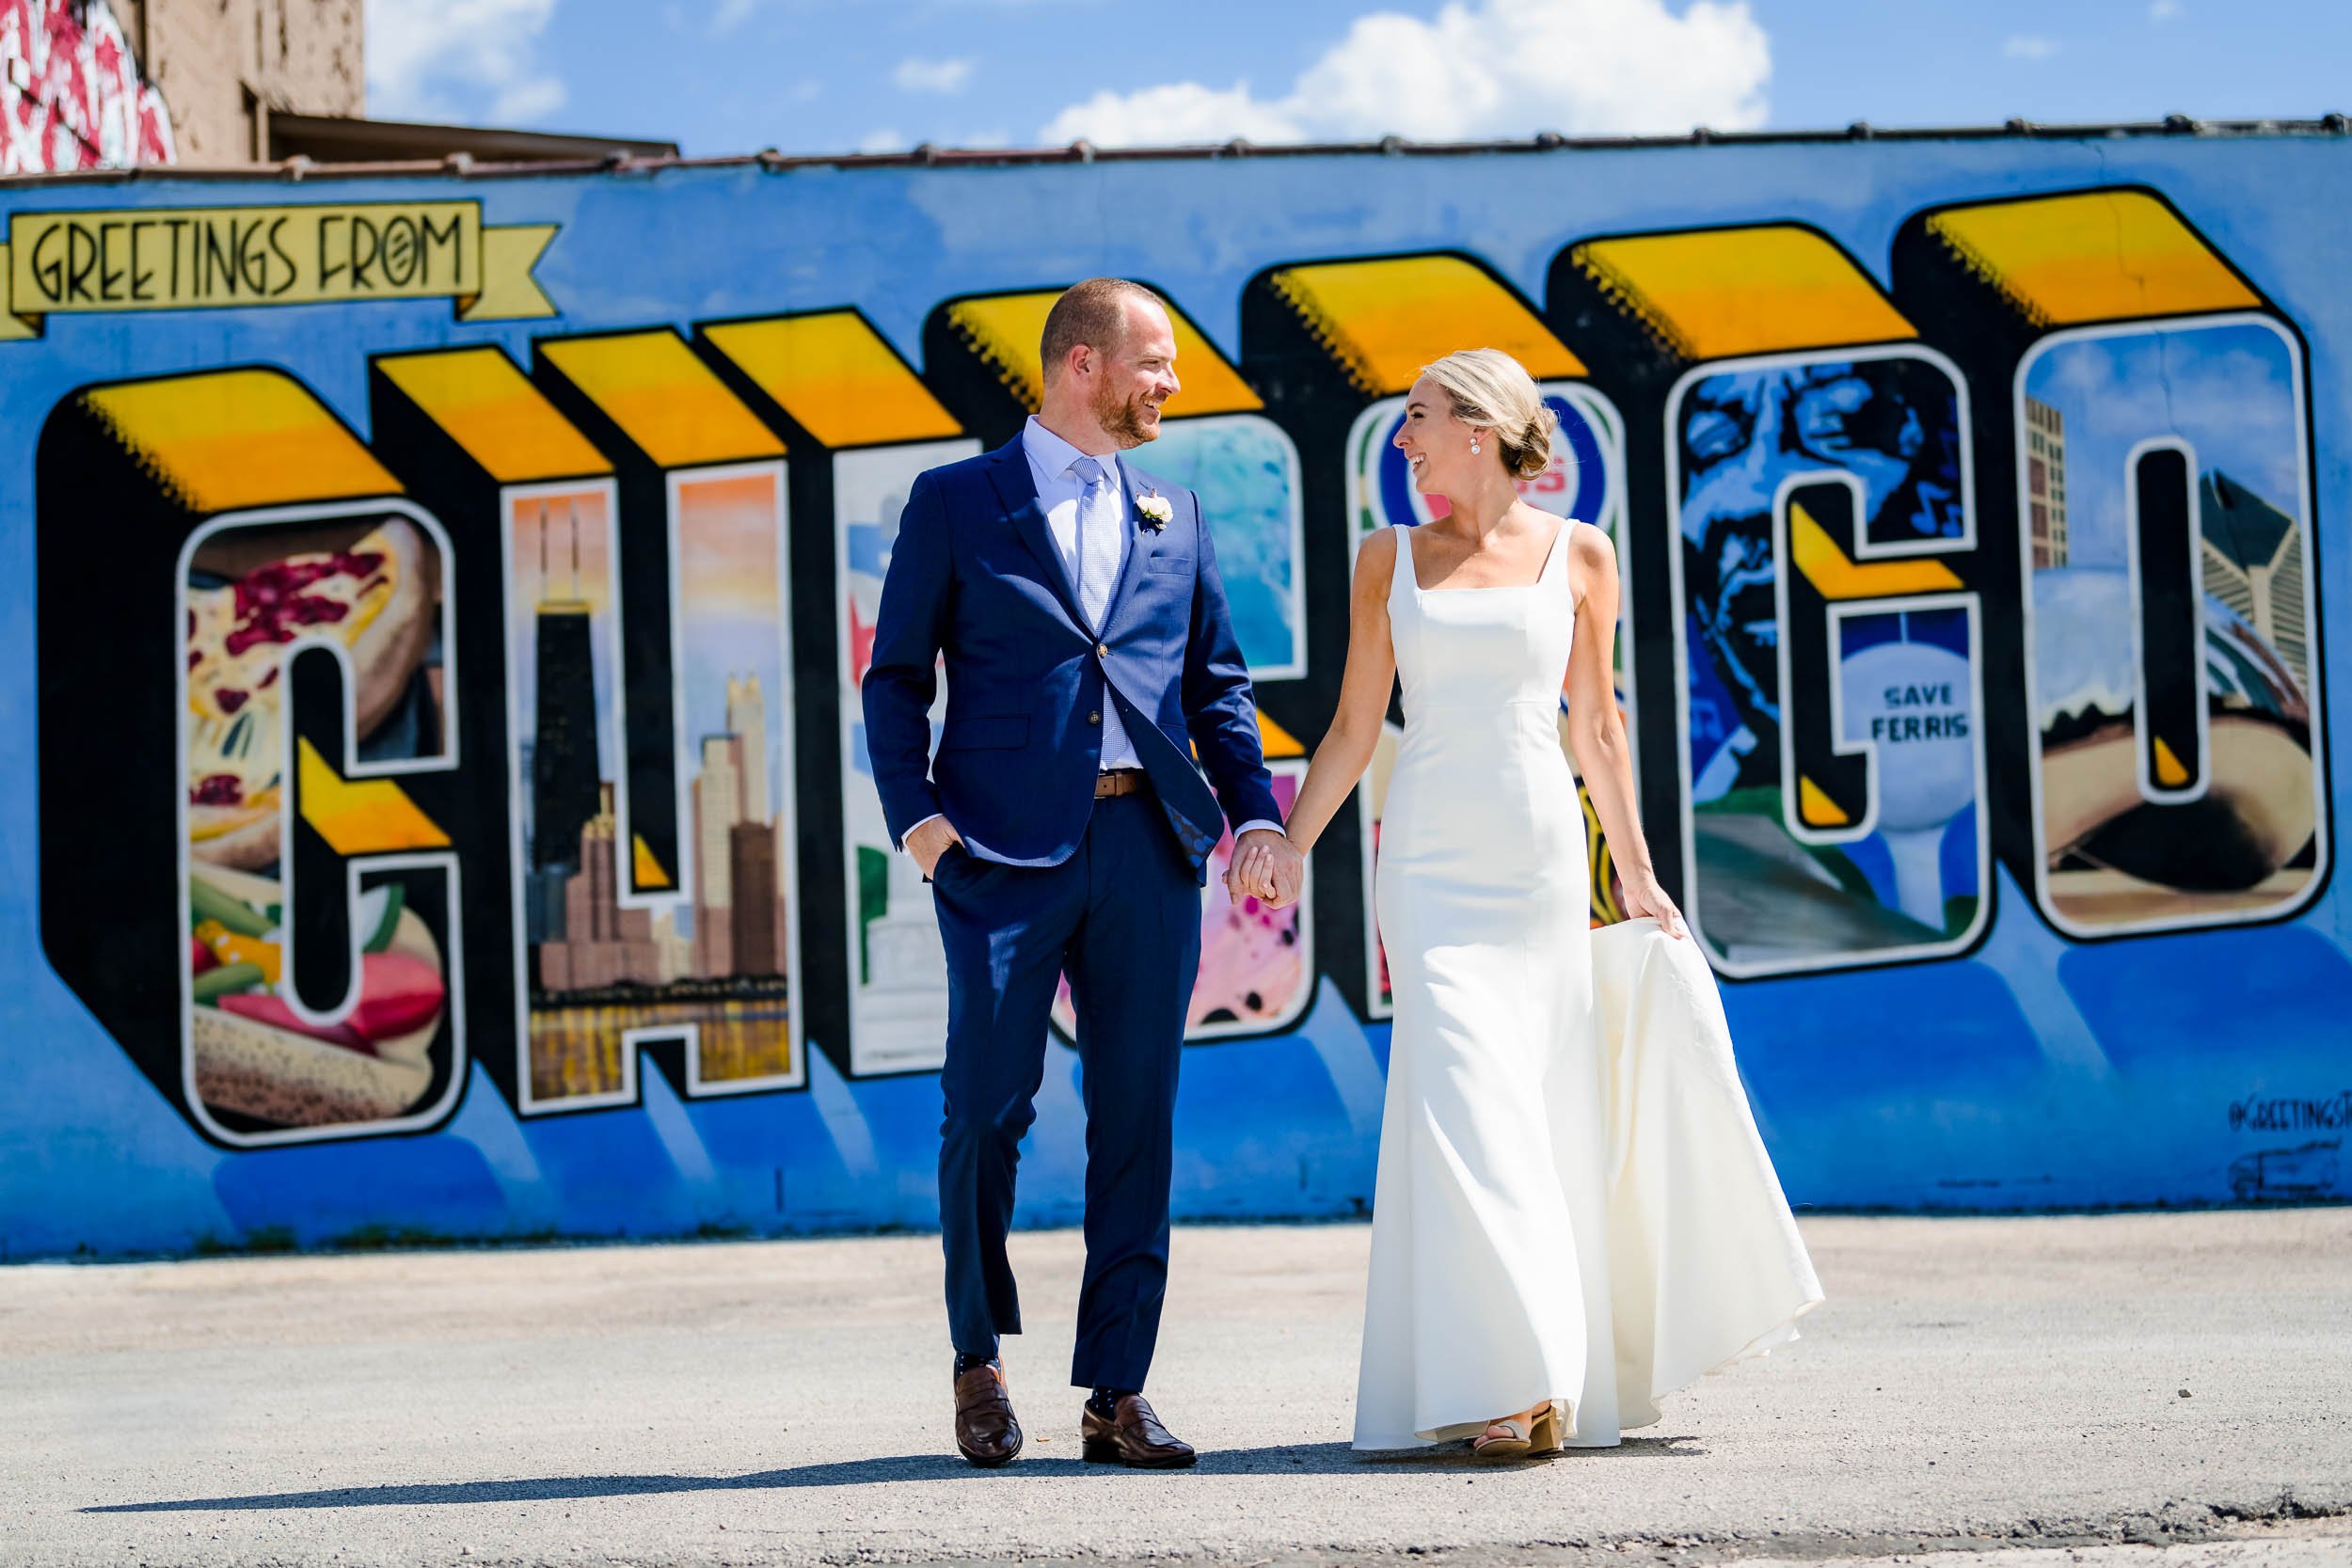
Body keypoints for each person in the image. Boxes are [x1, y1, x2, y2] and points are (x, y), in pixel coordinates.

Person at [1247, 348, 1822, 1458]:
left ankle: (1533, 1383)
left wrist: (1641, 876)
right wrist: (1284, 836)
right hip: (1424, 863)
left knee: (1539, 1111)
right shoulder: (1387, 559)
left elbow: (1595, 728)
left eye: (1416, 418)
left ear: (1479, 425)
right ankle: (1514, 1381)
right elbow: (1353, 729)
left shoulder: (1581, 553)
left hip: (1541, 859)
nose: (1402, 440)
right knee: (1461, 1097)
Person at [862, 277, 1304, 1470]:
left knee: (1137, 1123)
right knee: (987, 1110)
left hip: (1148, 851)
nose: (1171, 382)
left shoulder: (1178, 510)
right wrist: (923, 828)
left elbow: (1217, 687)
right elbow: (894, 678)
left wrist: (1253, 816)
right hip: (998, 856)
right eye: (1152, 361)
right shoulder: (958, 502)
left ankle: (1118, 1390)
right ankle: (977, 1361)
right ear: (1080, 365)